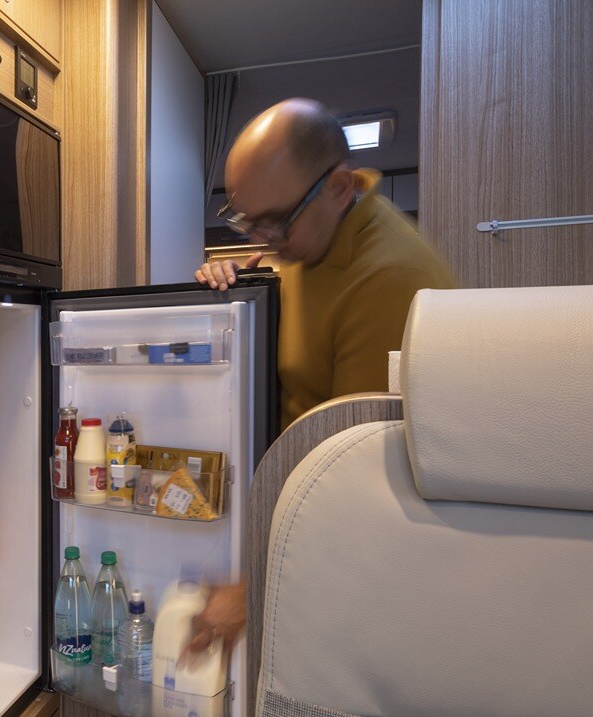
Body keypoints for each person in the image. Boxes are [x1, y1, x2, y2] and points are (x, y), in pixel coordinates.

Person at [187, 98, 455, 660]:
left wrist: (251, 589)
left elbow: (358, 479)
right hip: (294, 523)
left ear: (338, 187)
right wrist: (243, 285)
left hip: (357, 558)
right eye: (245, 220)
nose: (263, 239)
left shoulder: (390, 277)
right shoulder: (308, 242)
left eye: (274, 222)